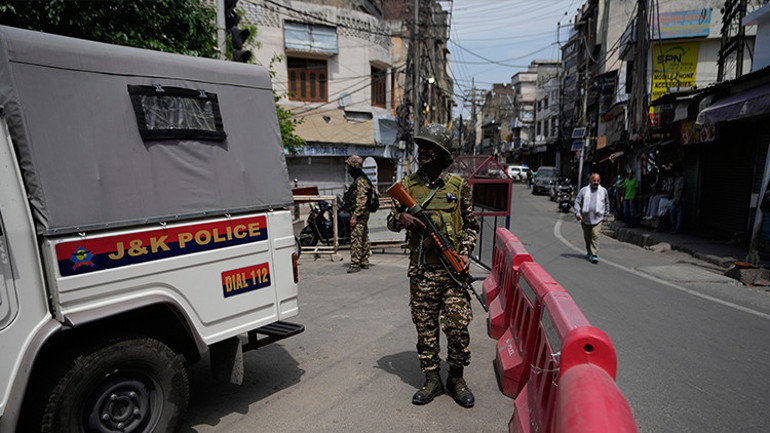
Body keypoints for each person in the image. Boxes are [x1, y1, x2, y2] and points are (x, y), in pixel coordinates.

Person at [387, 123, 479, 408]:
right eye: (421, 147)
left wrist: (463, 254)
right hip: (422, 271)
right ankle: (432, 380)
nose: (423, 151)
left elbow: (471, 227)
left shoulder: (458, 186)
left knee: (457, 326)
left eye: (430, 148)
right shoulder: (407, 186)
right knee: (425, 327)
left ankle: (456, 378)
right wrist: (401, 219)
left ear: (442, 153)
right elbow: (390, 222)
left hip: (452, 272)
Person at [343, 155, 372, 273]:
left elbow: (361, 201)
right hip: (363, 213)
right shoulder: (363, 179)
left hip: (359, 214)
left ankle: (355, 263)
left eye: (349, 166)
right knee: (364, 236)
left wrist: (355, 216)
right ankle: (364, 261)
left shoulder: (360, 181)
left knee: (356, 238)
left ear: (354, 166)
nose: (348, 169)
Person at [574, 173, 610, 264]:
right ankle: (589, 251)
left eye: (598, 181)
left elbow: (607, 203)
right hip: (586, 219)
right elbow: (577, 202)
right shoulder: (584, 190)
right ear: (590, 181)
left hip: (598, 219)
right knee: (587, 237)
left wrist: (606, 215)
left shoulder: (603, 191)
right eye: (594, 181)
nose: (596, 183)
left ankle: (594, 254)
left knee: (595, 235)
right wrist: (577, 213)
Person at [669, 164, 686, 234]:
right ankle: (673, 226)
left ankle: (677, 229)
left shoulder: (682, 179)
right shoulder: (676, 179)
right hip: (675, 198)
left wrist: (678, 200)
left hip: (680, 200)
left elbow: (681, 190)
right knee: (672, 213)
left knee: (679, 215)